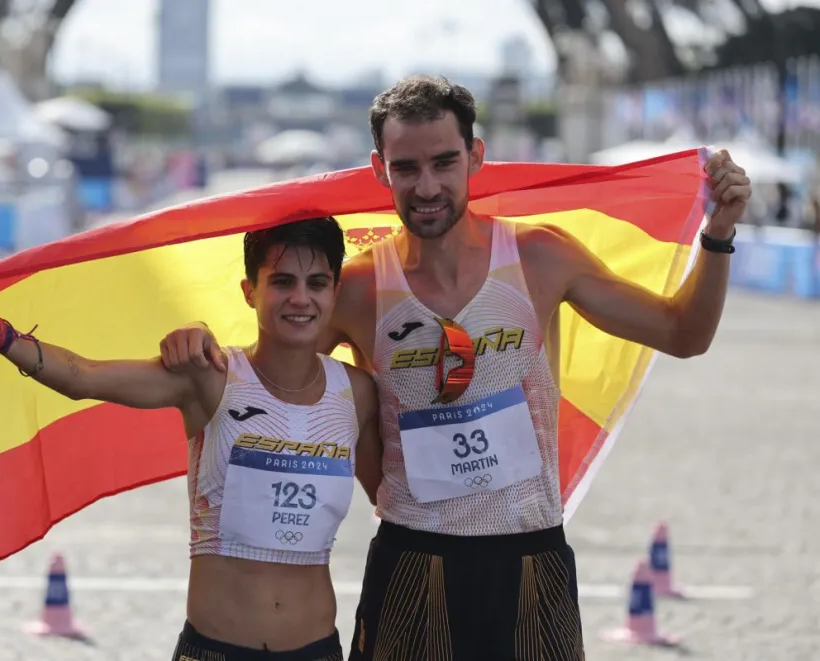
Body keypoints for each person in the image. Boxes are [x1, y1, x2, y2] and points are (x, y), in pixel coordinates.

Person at [157, 75, 753, 660]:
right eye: (407, 169)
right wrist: (204, 340)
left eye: (444, 162)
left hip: (532, 560)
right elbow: (272, 375)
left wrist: (717, 235)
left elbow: (683, 334)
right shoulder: (360, 289)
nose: (427, 186)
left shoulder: (540, 256)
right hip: (412, 563)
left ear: (476, 157)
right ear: (378, 169)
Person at [0, 216, 384, 661]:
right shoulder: (210, 378)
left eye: (317, 283)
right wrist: (1, 336)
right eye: (283, 281)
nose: (300, 298)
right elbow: (83, 377)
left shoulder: (356, 393)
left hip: (318, 650)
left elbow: (392, 497)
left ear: (335, 292)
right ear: (250, 291)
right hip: (216, 649)